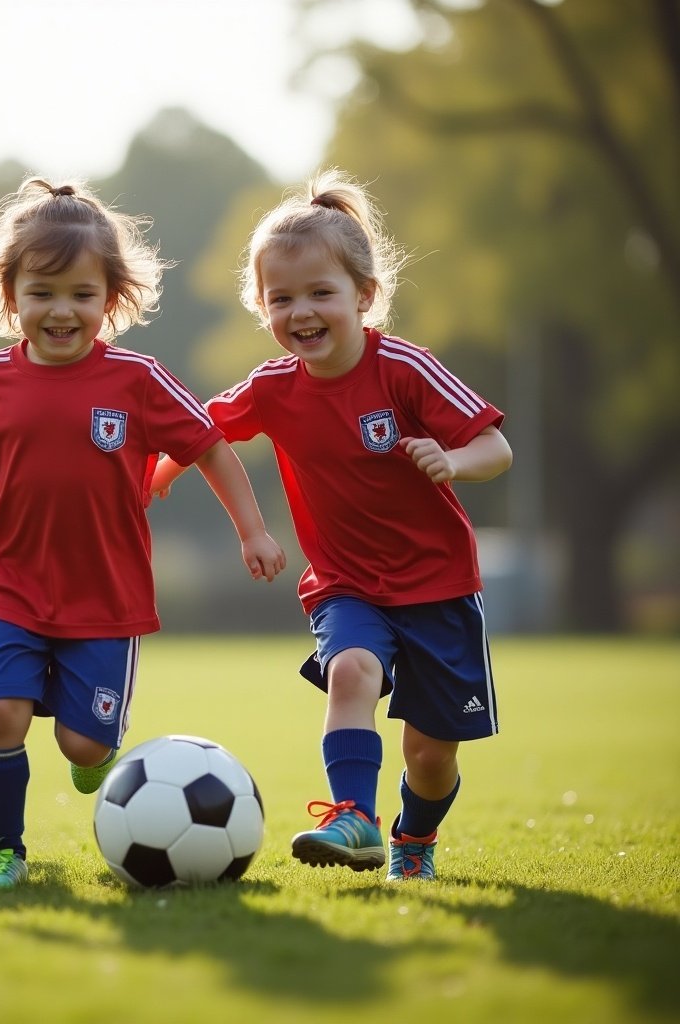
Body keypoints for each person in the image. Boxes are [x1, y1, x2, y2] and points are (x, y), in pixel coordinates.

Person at [0, 177, 286, 892]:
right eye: (41, 293)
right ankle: (3, 851)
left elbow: (210, 447)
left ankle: (95, 748)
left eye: (81, 294)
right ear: (11, 298)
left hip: (104, 598)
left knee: (84, 744)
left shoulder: (138, 380)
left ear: (112, 298)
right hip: (9, 588)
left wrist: (251, 530)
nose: (61, 311)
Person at [151, 169, 512, 882]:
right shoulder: (272, 387)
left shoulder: (403, 368)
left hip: (437, 585)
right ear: (262, 307)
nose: (302, 311)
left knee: (431, 756)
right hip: (347, 585)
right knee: (350, 670)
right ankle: (353, 816)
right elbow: (199, 429)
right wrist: (161, 470)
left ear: (364, 296)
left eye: (321, 293)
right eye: (281, 298)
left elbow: (498, 449)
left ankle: (413, 835)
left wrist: (452, 459)